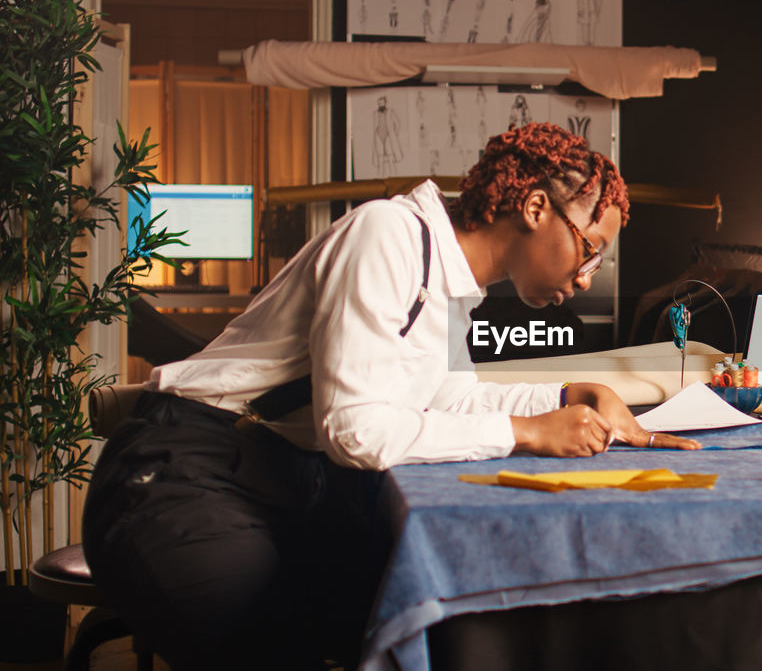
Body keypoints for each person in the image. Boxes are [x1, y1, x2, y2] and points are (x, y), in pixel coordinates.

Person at [83, 122, 700, 669]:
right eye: (590, 248)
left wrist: (572, 394)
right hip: (176, 476)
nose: (587, 274)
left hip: (268, 482)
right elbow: (355, 430)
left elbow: (449, 400)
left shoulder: (451, 282)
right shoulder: (389, 235)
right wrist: (526, 431)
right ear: (536, 207)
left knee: (418, 628)